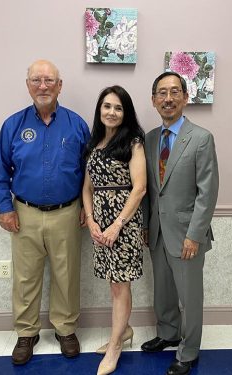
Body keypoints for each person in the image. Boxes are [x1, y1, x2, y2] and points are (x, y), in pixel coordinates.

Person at [0, 59, 90, 365]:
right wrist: (5, 207)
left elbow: (89, 171)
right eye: (36, 80)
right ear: (28, 85)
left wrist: (87, 207)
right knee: (25, 278)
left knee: (66, 275)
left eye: (49, 80)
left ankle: (66, 329)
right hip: (25, 214)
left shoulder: (77, 125)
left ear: (60, 85)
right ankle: (26, 333)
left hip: (67, 213)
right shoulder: (13, 125)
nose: (43, 86)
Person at [140, 72, 219, 375]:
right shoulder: (149, 139)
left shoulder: (201, 138)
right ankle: (168, 333)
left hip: (188, 234)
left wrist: (195, 234)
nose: (168, 98)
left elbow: (207, 192)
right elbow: (149, 188)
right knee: (163, 290)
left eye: (175, 92)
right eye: (162, 93)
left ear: (186, 98)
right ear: (154, 100)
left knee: (190, 296)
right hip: (157, 232)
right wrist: (147, 225)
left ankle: (189, 350)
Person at [82, 85, 146, 375]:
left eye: (118, 108)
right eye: (107, 106)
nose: (111, 112)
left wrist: (116, 226)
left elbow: (140, 188)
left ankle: (115, 345)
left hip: (124, 223)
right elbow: (87, 187)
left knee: (121, 285)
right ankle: (124, 331)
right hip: (100, 224)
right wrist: (93, 222)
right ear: (100, 110)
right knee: (113, 284)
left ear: (125, 112)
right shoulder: (93, 143)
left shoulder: (133, 142)